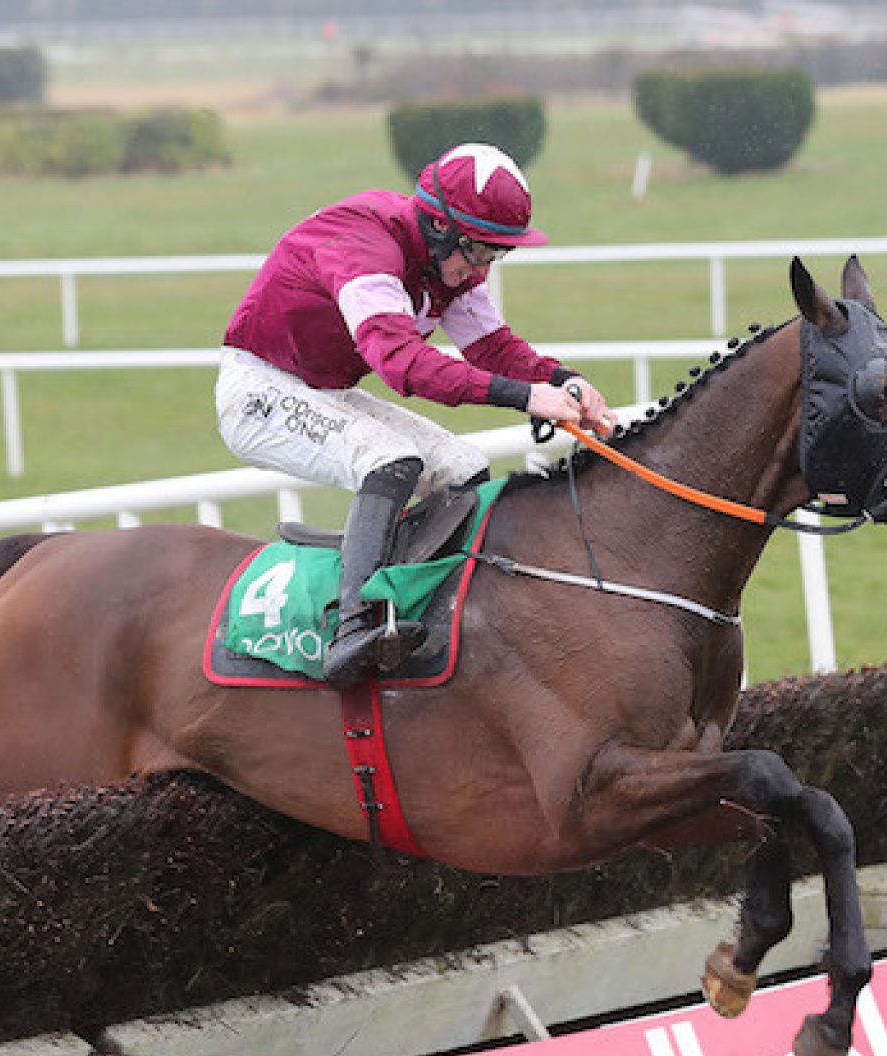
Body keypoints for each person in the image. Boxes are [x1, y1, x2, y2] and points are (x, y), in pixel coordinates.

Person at [217, 141, 618, 686]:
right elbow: (402, 366)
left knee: (463, 467)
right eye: (477, 252)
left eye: (494, 256)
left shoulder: (448, 266)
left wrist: (562, 380)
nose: (480, 270)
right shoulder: (364, 246)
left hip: (323, 388)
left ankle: (438, 611)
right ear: (437, 227)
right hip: (258, 390)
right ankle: (353, 629)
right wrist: (525, 398)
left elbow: (493, 349)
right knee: (391, 460)